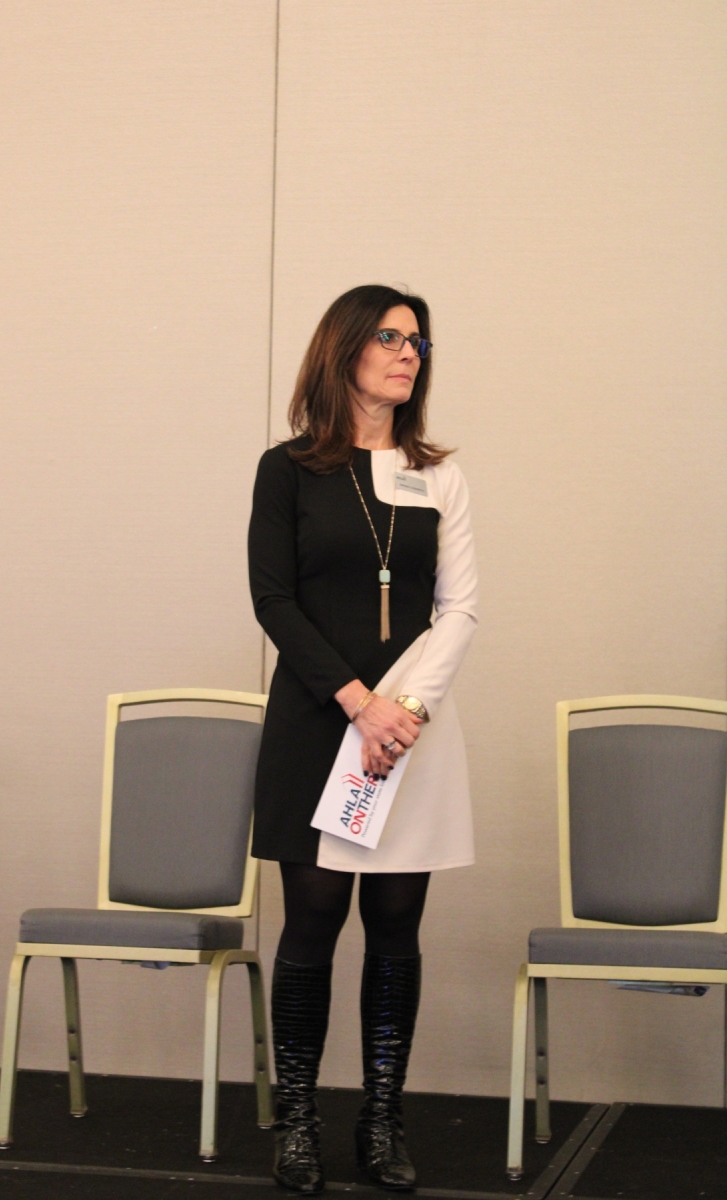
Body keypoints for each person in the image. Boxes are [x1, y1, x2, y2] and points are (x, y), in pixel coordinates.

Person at [248, 284, 478, 1194]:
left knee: (395, 927)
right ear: (343, 349)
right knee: (310, 925)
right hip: (319, 722)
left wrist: (402, 711)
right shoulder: (288, 470)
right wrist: (358, 703)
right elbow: (273, 599)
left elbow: (460, 609)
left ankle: (381, 1123)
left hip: (410, 736)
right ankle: (298, 1123)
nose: (408, 352)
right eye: (389, 336)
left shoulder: (441, 477)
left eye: (418, 341)